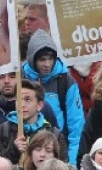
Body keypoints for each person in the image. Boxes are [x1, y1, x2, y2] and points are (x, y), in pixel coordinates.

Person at [23, 31, 84, 161]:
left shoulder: (65, 81)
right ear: (33, 59)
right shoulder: (20, 79)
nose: (47, 64)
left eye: (50, 59)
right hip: (28, 151)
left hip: (58, 150)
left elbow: (76, 126)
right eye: (42, 59)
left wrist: (72, 161)